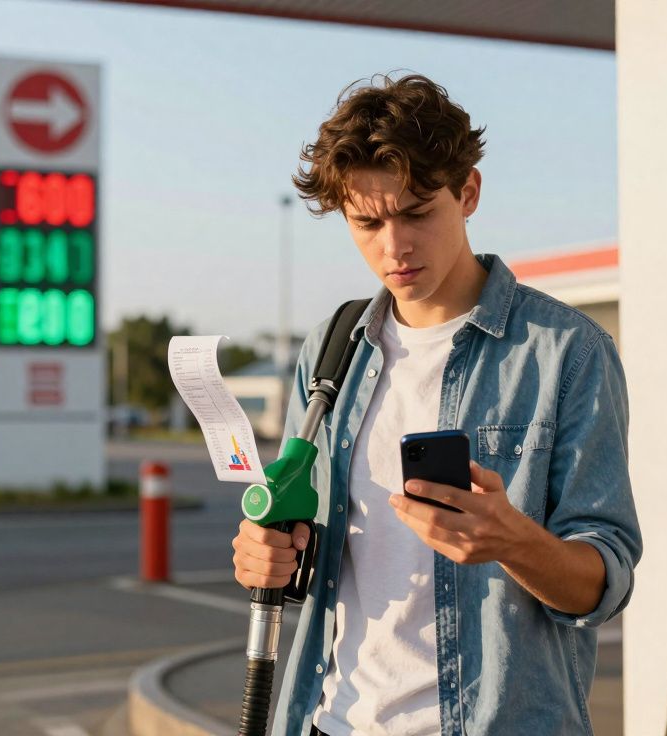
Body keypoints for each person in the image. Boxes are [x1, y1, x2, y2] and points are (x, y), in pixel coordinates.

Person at [230, 73, 642, 736]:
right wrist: (268, 557)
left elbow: (604, 582)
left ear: (468, 192)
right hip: (330, 721)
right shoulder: (333, 350)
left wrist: (514, 540)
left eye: (417, 212)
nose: (393, 247)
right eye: (367, 222)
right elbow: (314, 546)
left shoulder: (565, 352)